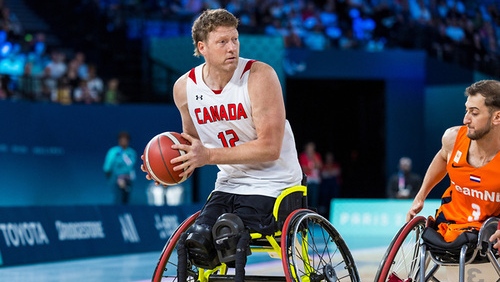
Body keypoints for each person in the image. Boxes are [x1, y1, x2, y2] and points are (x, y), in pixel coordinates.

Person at [141, 8, 303, 281]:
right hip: (228, 185)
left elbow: (270, 148)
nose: (232, 48)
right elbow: (191, 146)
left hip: (274, 183)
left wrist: (207, 155)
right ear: (202, 47)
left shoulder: (259, 76)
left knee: (229, 235)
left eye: (235, 40)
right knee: (195, 241)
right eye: (223, 42)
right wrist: (170, 167)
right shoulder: (184, 88)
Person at [407, 79, 500, 243]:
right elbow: (443, 157)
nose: (466, 120)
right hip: (449, 225)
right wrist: (420, 196)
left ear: (496, 117)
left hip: (489, 231)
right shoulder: (452, 138)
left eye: (474, 113)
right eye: (466, 110)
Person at [104, 131, 137, 205]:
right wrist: (113, 177)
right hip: (115, 178)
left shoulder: (131, 153)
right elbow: (107, 167)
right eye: (122, 139)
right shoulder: (113, 152)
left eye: (126, 139)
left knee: (126, 199)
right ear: (119, 140)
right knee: (117, 198)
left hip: (128, 179)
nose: (124, 141)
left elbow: (131, 166)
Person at [299, 141, 323, 208]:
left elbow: (319, 165)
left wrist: (313, 158)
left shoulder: (316, 155)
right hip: (307, 180)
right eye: (309, 148)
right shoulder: (303, 156)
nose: (311, 149)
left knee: (314, 199)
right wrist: (312, 167)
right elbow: (303, 168)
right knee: (307, 198)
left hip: (315, 180)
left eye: (312, 148)